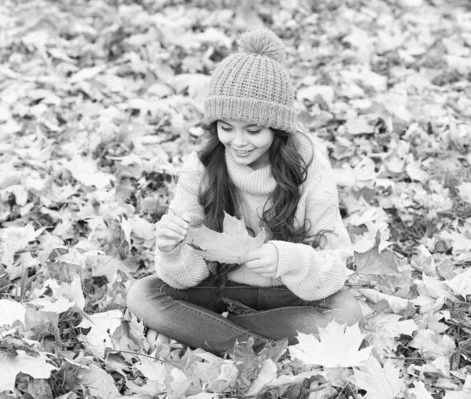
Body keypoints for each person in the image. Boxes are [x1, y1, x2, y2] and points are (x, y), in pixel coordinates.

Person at [126, 28, 363, 356]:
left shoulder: (311, 168)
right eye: (226, 128)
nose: (238, 142)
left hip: (288, 293)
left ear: (277, 129)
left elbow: (336, 264)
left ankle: (211, 333)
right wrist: (171, 250)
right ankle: (261, 348)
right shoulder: (201, 168)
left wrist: (290, 260)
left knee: (347, 313)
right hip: (218, 288)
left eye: (253, 130)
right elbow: (184, 278)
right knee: (144, 294)